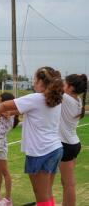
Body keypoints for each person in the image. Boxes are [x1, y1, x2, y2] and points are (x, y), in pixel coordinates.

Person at [0, 67, 64, 206]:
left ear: (41, 81)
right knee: (47, 193)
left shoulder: (36, 98)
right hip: (54, 149)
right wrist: (12, 113)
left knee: (41, 196)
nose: (33, 82)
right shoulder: (55, 99)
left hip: (40, 152)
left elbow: (4, 106)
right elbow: (32, 110)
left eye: (35, 79)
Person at [59, 74, 87, 206]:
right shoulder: (78, 100)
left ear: (70, 88)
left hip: (67, 146)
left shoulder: (65, 98)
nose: (62, 86)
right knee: (66, 183)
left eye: (65, 84)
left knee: (68, 184)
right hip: (73, 144)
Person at [0, 93, 19, 205]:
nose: (0, 104)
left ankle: (8, 199)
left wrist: (3, 112)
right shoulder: (1, 112)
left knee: (5, 172)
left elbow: (5, 115)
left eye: (1, 102)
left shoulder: (10, 115)